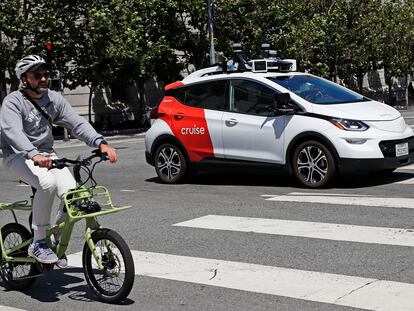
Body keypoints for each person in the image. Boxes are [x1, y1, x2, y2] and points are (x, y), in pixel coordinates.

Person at [0, 55, 117, 267]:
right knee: (47, 183)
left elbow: (77, 123)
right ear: (25, 78)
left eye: (46, 74)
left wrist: (101, 144)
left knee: (72, 194)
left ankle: (54, 238)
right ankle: (38, 242)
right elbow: (12, 132)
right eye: (38, 75)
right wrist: (32, 154)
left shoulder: (53, 99)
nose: (44, 78)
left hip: (46, 154)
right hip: (16, 155)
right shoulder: (13, 102)